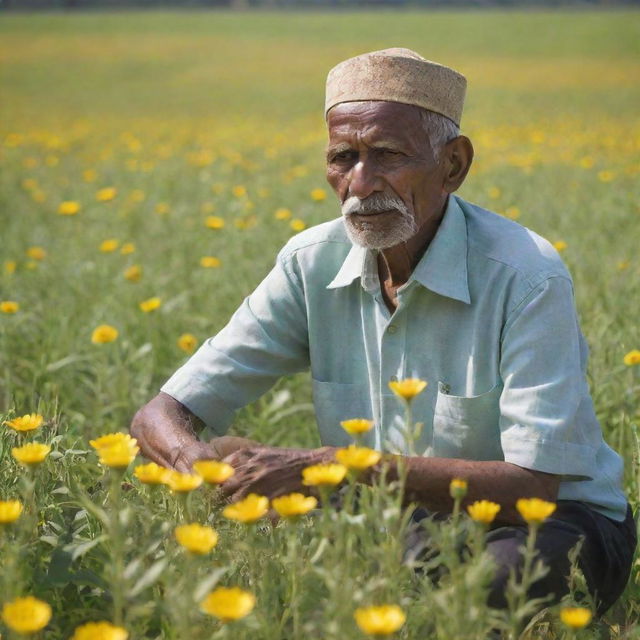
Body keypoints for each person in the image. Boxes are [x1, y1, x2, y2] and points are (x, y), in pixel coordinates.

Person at [131, 48, 636, 614]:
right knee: (239, 560)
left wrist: (331, 466)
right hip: (396, 516)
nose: (361, 183)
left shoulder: (525, 276)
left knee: (493, 583)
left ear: (454, 165)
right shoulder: (310, 263)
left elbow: (536, 486)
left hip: (553, 523)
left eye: (388, 156)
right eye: (342, 157)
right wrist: (195, 464)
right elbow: (161, 414)